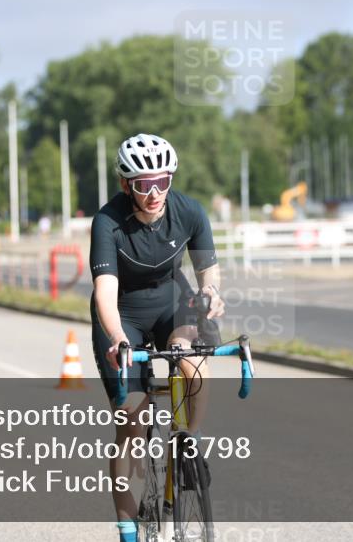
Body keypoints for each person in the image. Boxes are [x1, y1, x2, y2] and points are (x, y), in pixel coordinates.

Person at [89, 133, 225, 542]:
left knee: (191, 358)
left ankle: (189, 438)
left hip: (171, 300)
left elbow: (207, 273)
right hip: (123, 313)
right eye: (144, 184)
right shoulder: (108, 222)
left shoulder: (189, 211)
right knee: (131, 420)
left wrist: (211, 294)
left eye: (162, 182)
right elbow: (105, 294)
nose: (154, 193)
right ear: (125, 185)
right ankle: (128, 524)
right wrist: (117, 338)